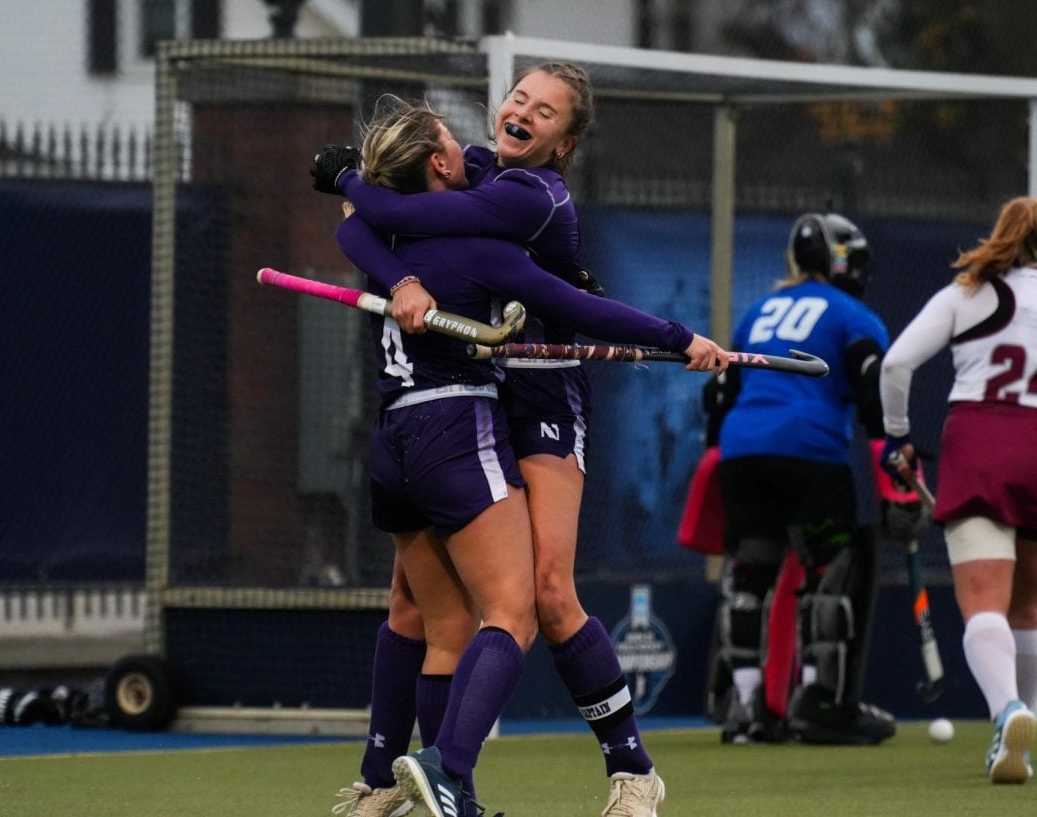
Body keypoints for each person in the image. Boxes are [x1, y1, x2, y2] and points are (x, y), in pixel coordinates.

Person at [325, 97, 727, 817]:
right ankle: (432, 777)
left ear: (565, 139)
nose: (517, 112)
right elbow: (379, 232)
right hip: (464, 414)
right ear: (442, 160)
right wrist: (680, 338)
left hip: (487, 410)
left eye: (543, 110)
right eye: (518, 97)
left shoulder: (525, 196)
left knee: (517, 600)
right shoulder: (473, 199)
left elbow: (373, 225)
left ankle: (624, 770)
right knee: (469, 612)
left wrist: (371, 220)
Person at [705, 211, 926, 745]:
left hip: (741, 451)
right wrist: (900, 483)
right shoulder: (853, 316)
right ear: (841, 260)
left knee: (750, 576)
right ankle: (819, 703)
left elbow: (718, 394)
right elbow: (879, 405)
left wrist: (721, 451)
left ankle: (747, 710)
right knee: (829, 571)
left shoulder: (758, 311)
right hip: (809, 452)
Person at [879, 196, 1037, 784]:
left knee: (984, 604)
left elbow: (895, 366)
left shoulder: (966, 293)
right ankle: (1023, 725)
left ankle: (1007, 712)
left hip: (982, 442)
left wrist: (899, 438)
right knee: (1027, 607)